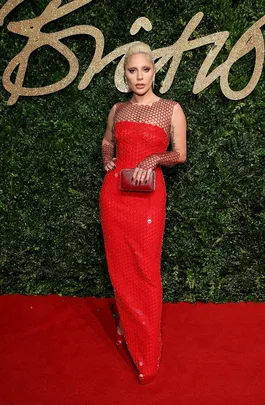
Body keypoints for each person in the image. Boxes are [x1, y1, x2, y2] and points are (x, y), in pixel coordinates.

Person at [99, 41, 187, 385]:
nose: (140, 76)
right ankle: (124, 321)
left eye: (145, 69)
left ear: (154, 71)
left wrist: (152, 158)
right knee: (120, 267)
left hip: (149, 199)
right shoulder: (118, 109)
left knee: (146, 269)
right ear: (125, 74)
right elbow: (108, 140)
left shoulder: (170, 109)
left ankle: (147, 353)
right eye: (132, 70)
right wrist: (109, 159)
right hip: (115, 196)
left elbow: (179, 153)